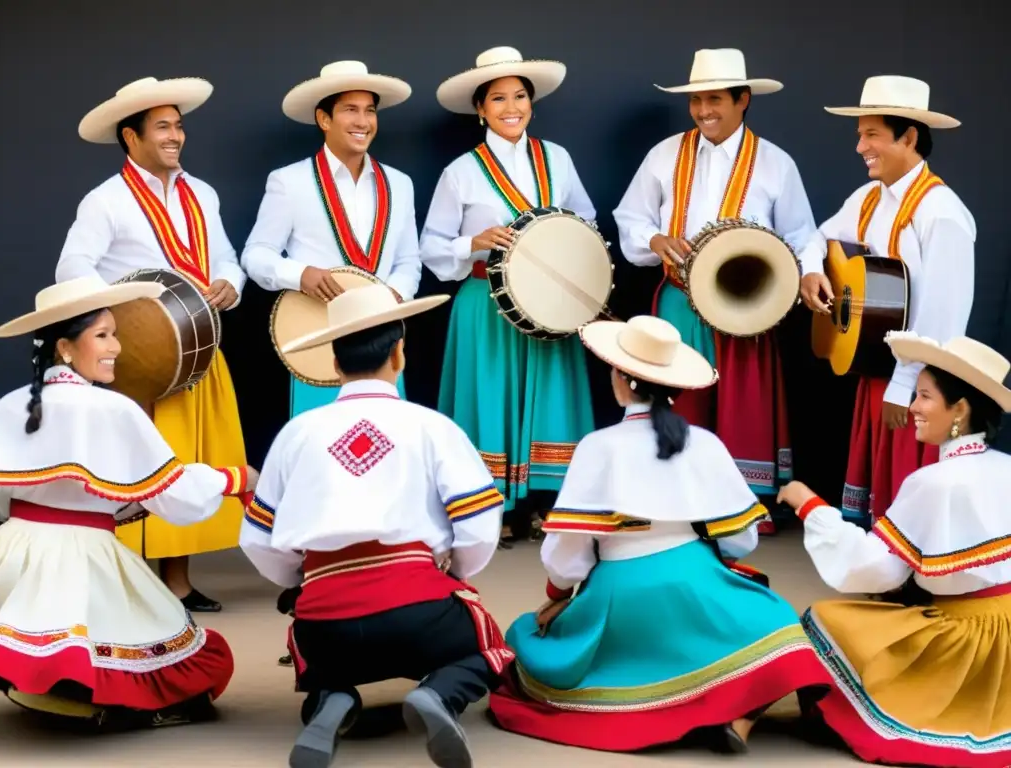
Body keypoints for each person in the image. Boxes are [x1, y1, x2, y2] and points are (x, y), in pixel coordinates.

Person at [488, 315, 831, 754]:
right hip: (695, 579)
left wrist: (559, 592)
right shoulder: (705, 442)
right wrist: (714, 569)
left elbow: (567, 553)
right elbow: (741, 541)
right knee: (781, 631)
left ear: (624, 382)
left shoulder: (597, 446)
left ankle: (665, 707)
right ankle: (740, 718)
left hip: (619, 592)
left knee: (533, 646)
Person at [239, 284, 513, 768]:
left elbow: (259, 540)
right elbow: (478, 524)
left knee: (320, 662)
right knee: (485, 644)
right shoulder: (431, 426)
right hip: (420, 613)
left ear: (335, 363)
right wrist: (455, 575)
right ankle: (441, 694)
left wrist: (301, 580)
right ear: (399, 354)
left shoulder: (296, 434)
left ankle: (331, 700)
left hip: (327, 626)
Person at [0, 275, 257, 730]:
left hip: (11, 554)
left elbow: (1, 499)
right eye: (103, 335)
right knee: (187, 666)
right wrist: (232, 478)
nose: (117, 347)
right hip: (82, 559)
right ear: (65, 348)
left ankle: (45, 680)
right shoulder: (113, 409)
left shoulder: (8, 406)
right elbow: (172, 494)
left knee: (38, 628)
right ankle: (82, 694)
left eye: (115, 334)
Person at [56, 76, 250, 612]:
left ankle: (177, 583)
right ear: (130, 136)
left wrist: (230, 285)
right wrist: (127, 316)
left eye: (179, 126)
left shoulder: (201, 193)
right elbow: (71, 268)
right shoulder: (106, 201)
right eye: (163, 126)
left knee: (188, 458)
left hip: (197, 349)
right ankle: (126, 584)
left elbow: (227, 260)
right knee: (137, 464)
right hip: (137, 362)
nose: (175, 136)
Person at [778, 331, 1011, 768]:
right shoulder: (1008, 468)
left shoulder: (932, 481)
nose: (912, 407)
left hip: (964, 638)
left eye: (924, 396)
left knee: (824, 620)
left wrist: (810, 506)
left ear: (959, 408)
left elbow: (874, 571)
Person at [613, 49, 816, 534]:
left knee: (741, 403)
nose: (704, 109)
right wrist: (655, 239)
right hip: (681, 300)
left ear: (743, 100)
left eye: (716, 99)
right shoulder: (664, 155)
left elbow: (803, 235)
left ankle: (739, 505)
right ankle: (677, 500)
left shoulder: (775, 163)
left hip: (748, 306)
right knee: (680, 400)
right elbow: (630, 219)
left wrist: (800, 276)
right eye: (697, 100)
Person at [420, 46, 597, 546]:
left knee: (551, 400)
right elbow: (431, 247)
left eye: (520, 96)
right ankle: (488, 507)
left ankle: (543, 503)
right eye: (498, 99)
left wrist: (562, 242)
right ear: (480, 109)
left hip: (551, 308)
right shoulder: (461, 171)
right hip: (487, 302)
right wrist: (472, 242)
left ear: (532, 104)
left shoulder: (556, 159)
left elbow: (586, 221)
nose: (511, 107)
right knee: (488, 396)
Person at [797, 76, 975, 527]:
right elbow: (818, 237)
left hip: (920, 381)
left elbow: (942, 314)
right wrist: (812, 269)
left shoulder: (942, 212)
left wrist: (904, 386)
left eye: (872, 134)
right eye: (860, 134)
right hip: (880, 367)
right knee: (885, 487)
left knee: (912, 485)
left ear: (909, 137)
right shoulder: (868, 198)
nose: (860, 147)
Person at [241, 60, 422, 417]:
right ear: (324, 119)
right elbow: (255, 255)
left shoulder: (399, 184)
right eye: (350, 110)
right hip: (319, 337)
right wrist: (300, 275)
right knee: (324, 441)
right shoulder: (289, 181)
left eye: (370, 111)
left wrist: (394, 294)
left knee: (386, 440)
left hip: (382, 333)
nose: (363, 121)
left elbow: (409, 261)